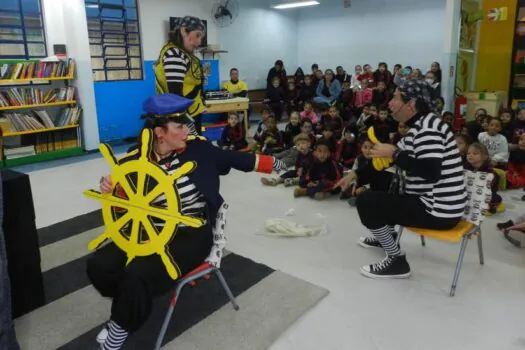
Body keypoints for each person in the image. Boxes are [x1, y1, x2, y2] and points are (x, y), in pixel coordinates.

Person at [88, 94, 285, 350]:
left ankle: (117, 332)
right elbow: (124, 190)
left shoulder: (200, 149)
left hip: (191, 232)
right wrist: (108, 186)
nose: (187, 131)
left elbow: (240, 160)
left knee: (136, 274)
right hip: (150, 227)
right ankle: (127, 309)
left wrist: (281, 163)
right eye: (180, 126)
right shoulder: (137, 156)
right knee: (100, 265)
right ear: (160, 132)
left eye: (186, 125)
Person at [335, 79, 466, 278]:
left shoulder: (428, 130)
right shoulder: (421, 125)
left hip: (438, 210)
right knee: (383, 181)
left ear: (411, 104)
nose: (389, 103)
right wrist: (356, 174)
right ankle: (388, 235)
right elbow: (386, 161)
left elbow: (431, 172)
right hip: (432, 201)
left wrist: (395, 154)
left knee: (366, 202)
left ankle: (396, 261)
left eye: (395, 98)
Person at [155, 16, 207, 135]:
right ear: (184, 31)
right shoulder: (174, 54)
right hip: (181, 119)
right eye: (197, 35)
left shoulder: (184, 54)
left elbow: (193, 85)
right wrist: (190, 130)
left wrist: (201, 104)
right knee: (191, 149)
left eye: (201, 37)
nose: (199, 42)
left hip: (191, 113)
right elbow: (176, 98)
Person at [464, 143, 502, 214]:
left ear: (484, 156)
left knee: (493, 198)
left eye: (475, 153)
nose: (470, 155)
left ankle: (492, 205)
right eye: (468, 153)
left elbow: (489, 188)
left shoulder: (490, 172)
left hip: (484, 192)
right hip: (470, 190)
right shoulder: (466, 166)